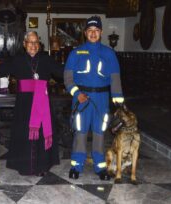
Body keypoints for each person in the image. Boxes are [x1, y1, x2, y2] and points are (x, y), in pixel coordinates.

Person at [64, 16, 124, 180]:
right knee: (80, 132)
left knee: (99, 132)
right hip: (82, 99)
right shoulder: (76, 53)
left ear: (101, 32)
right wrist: (77, 94)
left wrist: (119, 103)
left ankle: (100, 167)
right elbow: (68, 79)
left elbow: (115, 79)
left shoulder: (109, 54)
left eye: (96, 30)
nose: (93, 33)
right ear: (85, 33)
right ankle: (77, 165)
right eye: (90, 31)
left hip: (102, 99)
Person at [0, 31, 63, 176]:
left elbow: (62, 72)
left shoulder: (46, 59)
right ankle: (24, 166)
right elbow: (0, 70)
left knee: (41, 133)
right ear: (24, 44)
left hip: (43, 102)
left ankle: (42, 166)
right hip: (24, 104)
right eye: (30, 42)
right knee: (24, 134)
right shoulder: (18, 59)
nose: (33, 45)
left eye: (36, 42)